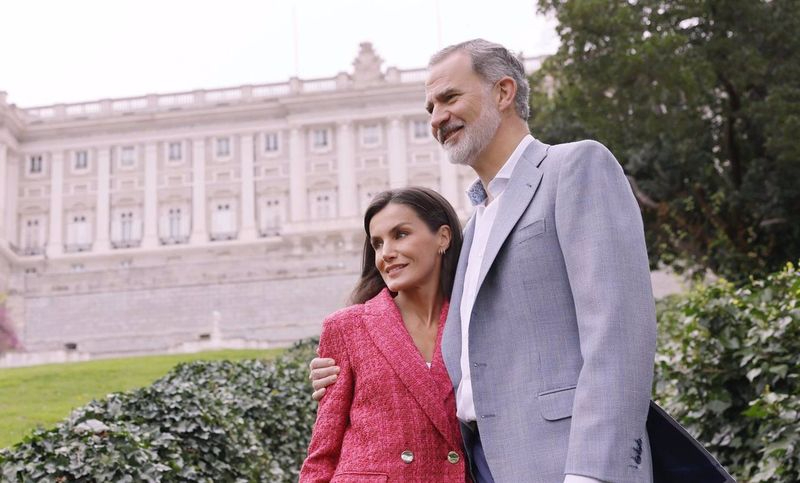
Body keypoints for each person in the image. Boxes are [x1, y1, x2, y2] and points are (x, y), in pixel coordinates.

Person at [311, 39, 657, 483]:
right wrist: (343, 369)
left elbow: (620, 333)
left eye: (450, 98)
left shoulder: (574, 167)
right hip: (482, 466)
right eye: (430, 107)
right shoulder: (471, 229)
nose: (436, 118)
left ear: (504, 92)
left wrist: (593, 474)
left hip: (568, 465)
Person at [299, 187, 469, 482]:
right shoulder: (347, 327)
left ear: (443, 237)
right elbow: (323, 450)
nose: (386, 253)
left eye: (400, 234)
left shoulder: (474, 320)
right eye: (377, 243)